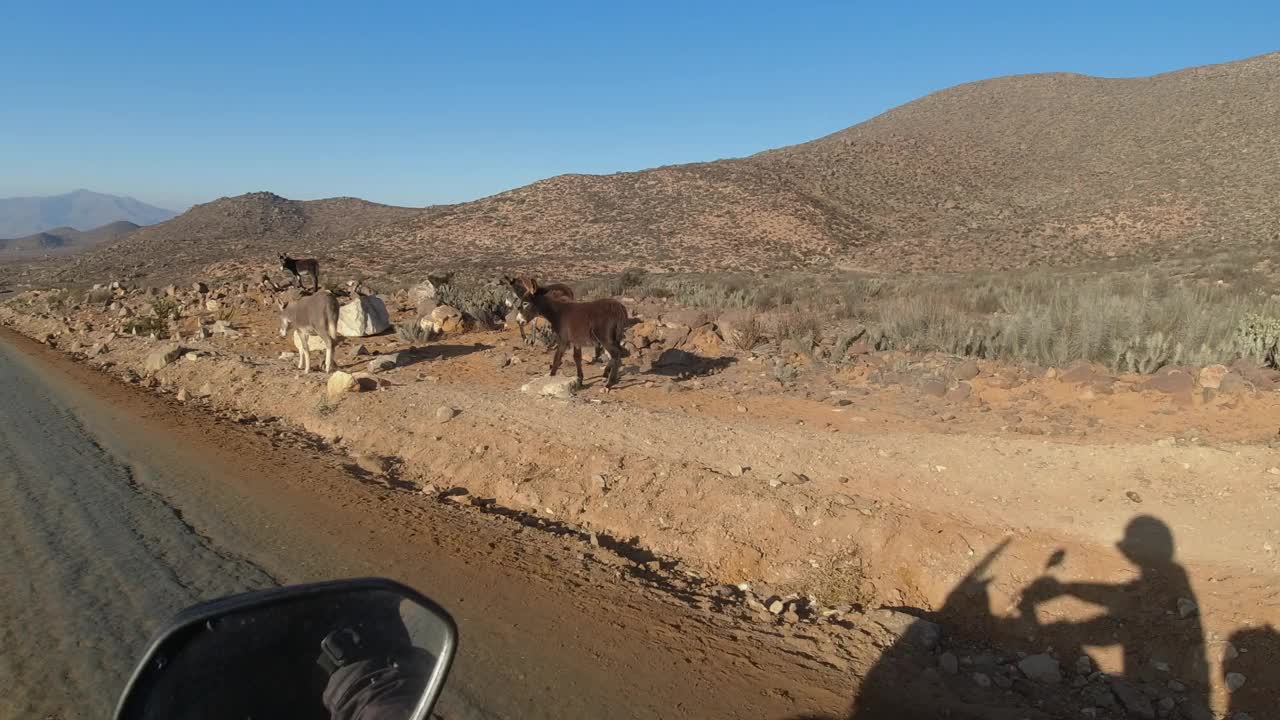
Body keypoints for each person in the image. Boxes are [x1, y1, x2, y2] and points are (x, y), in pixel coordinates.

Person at [1018, 516, 1208, 710]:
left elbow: (1109, 620)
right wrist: (1068, 589)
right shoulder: (1170, 575)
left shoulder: (1169, 575)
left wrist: (1068, 619)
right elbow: (1112, 594)